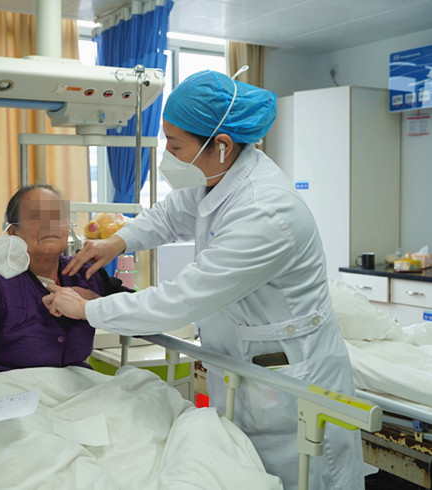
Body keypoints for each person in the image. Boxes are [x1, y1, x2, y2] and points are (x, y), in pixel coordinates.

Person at [42, 70, 364, 490]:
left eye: (176, 146)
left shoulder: (266, 212)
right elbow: (170, 214)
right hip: (243, 371)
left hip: (291, 388)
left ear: (222, 146)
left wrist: (89, 309)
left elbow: (182, 299)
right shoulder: (215, 179)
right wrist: (119, 241)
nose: (168, 156)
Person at [0, 185, 132, 399]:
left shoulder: (87, 275)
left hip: (74, 396)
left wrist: (92, 303)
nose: (49, 224)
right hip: (10, 399)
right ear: (13, 232)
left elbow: (138, 313)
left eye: (57, 215)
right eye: (36, 216)